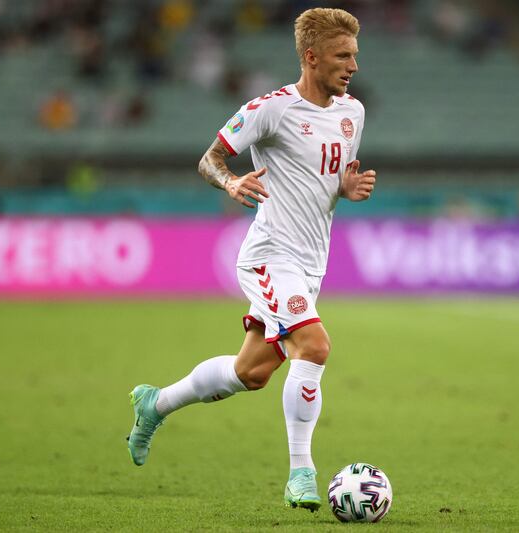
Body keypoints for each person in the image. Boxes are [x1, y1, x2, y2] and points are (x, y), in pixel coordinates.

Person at [126, 7, 376, 512]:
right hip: (268, 256)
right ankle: (301, 473)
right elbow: (209, 159)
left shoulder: (354, 113)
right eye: (342, 55)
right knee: (315, 345)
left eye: (354, 54)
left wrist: (345, 189)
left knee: (252, 372)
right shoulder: (270, 109)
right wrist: (232, 180)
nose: (352, 65)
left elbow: (327, 177)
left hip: (310, 263)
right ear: (311, 57)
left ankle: (156, 403)